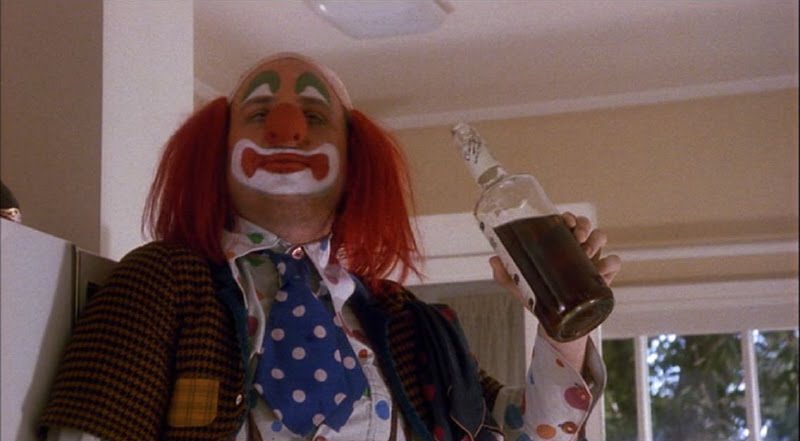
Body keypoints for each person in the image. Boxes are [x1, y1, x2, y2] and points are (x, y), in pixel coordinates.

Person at [40, 53, 621, 441]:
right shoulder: (164, 282)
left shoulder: (406, 323)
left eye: (315, 117)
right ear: (216, 150)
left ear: (354, 161)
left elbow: (529, 433)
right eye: (259, 114)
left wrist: (564, 333)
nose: (286, 129)